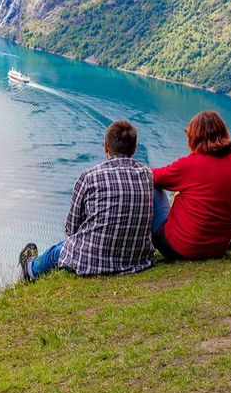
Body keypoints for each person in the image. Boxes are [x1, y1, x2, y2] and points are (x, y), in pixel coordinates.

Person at [19, 120, 155, 281]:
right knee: (62, 247)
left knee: (58, 251)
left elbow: (71, 228)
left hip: (92, 261)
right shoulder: (147, 174)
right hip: (136, 258)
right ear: (134, 149)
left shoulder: (89, 177)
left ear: (105, 147)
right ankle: (32, 266)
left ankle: (30, 268)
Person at [152, 110, 231, 261]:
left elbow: (153, 176)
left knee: (152, 187)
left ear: (196, 137)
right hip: (218, 249)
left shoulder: (189, 165)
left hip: (179, 248)